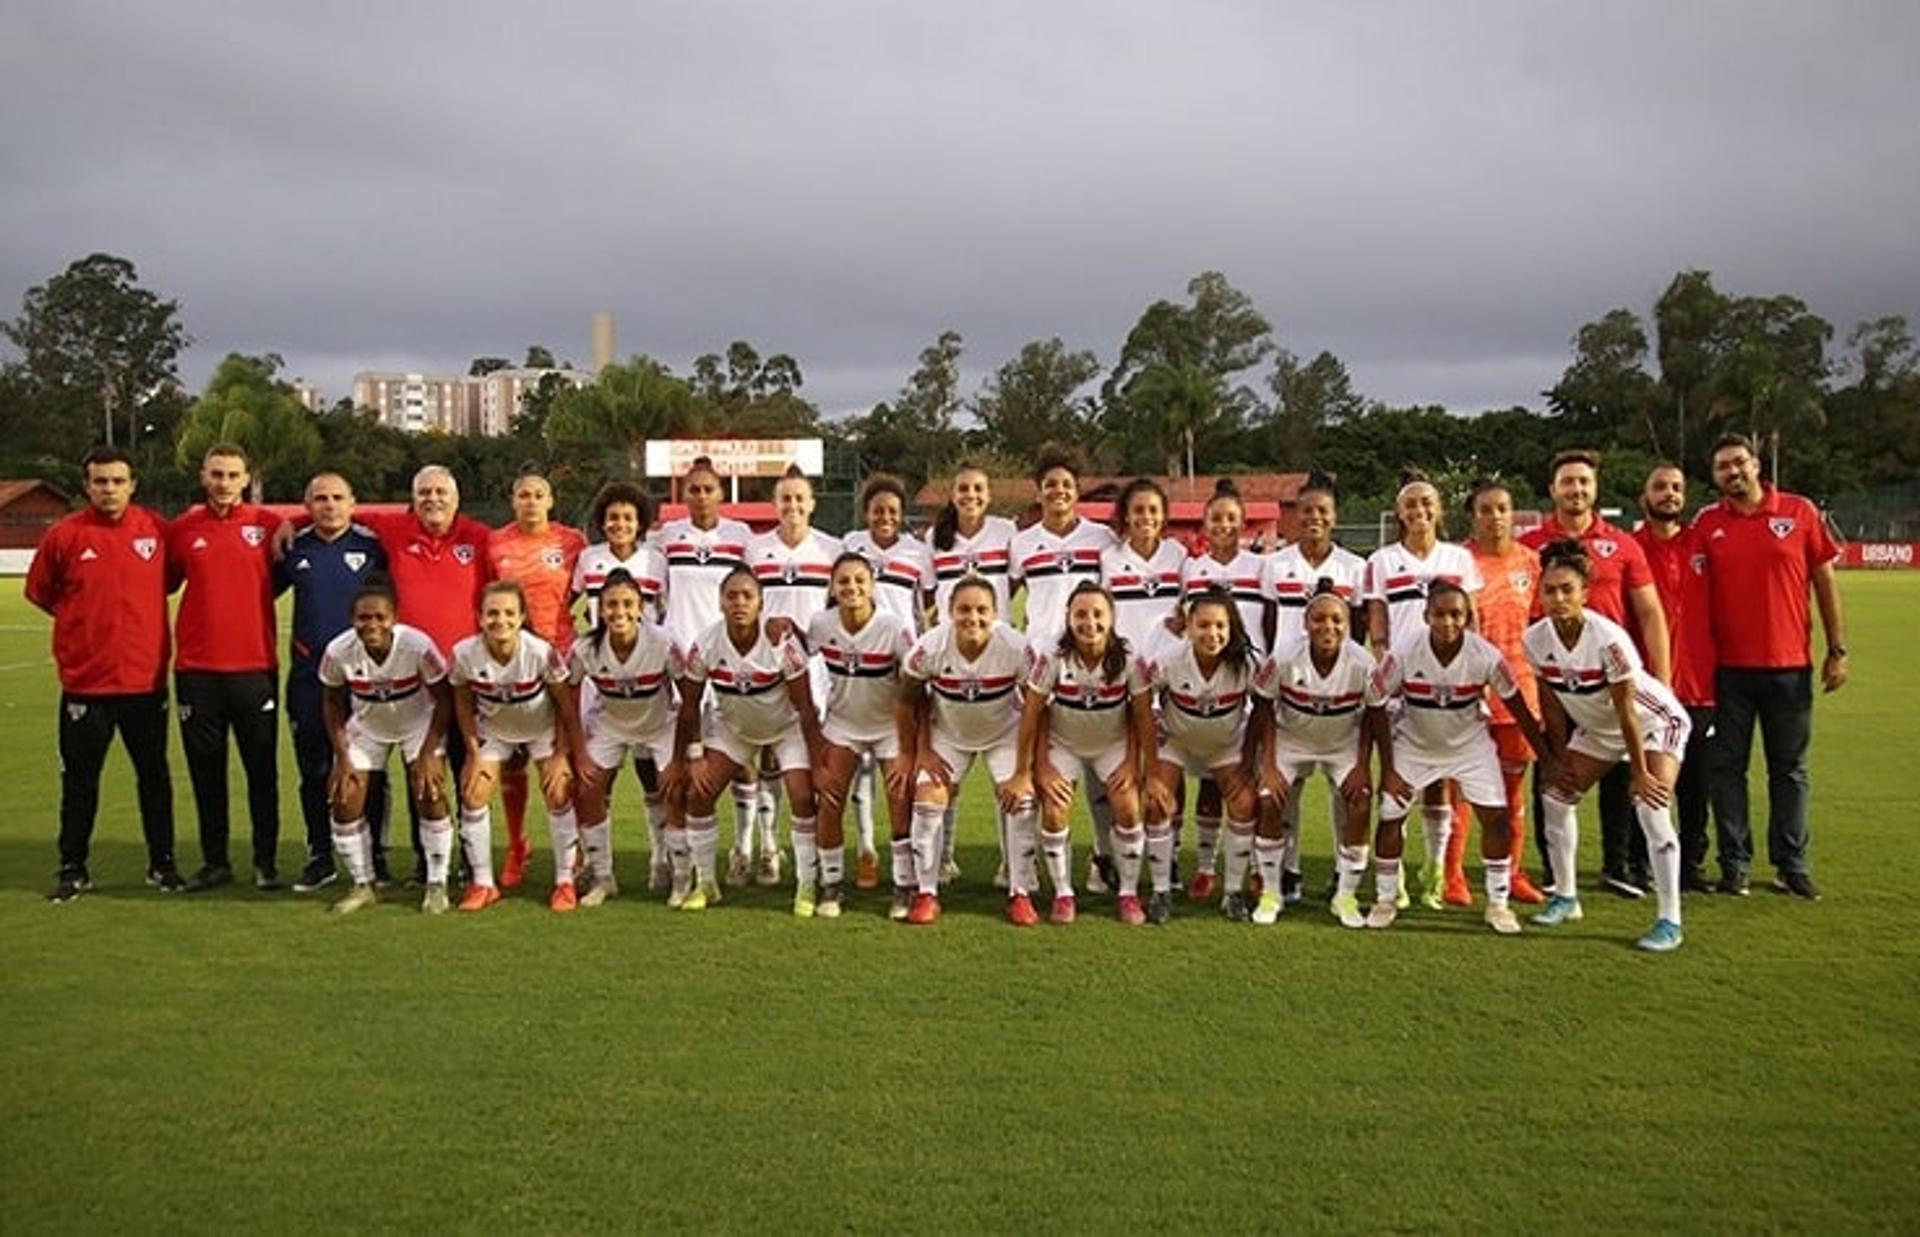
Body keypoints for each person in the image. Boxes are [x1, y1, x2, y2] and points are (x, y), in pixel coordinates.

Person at [1692, 433, 1845, 900]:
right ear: (1715, 476)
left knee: (1790, 771)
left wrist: (1837, 649)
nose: (1733, 472)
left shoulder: (1798, 512)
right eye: (1723, 467)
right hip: (1730, 672)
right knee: (1726, 771)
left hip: (1789, 668)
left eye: (1739, 462)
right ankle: (1734, 865)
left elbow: (1824, 579)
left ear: (1756, 465)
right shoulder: (1706, 523)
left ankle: (1791, 865)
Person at [27, 444, 179, 901]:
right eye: (100, 481)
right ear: (86, 485)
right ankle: (73, 867)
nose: (109, 489)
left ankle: (162, 864)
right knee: (80, 781)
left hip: (144, 682)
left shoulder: (156, 530)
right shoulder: (64, 535)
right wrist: (82, 625)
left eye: (117, 481)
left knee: (154, 777)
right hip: (85, 685)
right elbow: (42, 592)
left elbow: (169, 580)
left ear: (132, 484)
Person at [1525, 540, 1693, 951]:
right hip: (1599, 729)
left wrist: (1639, 771)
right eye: (1550, 590)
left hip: (1654, 723)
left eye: (1568, 590)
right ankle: (1566, 897)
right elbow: (1551, 702)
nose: (1558, 598)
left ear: (1585, 593)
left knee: (1651, 806)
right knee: (1556, 797)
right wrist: (1559, 756)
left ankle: (1669, 920)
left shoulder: (1608, 638)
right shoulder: (1535, 639)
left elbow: (1629, 710)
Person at [1519, 448, 1671, 900]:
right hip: (1559, 679)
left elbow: (1648, 612)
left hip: (1611, 681)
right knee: (1555, 771)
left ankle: (1619, 864)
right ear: (1553, 490)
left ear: (1595, 488)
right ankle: (1554, 872)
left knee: (1624, 771)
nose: (1576, 489)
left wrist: (1660, 678)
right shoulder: (1532, 545)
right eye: (1567, 481)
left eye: (1584, 481)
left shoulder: (1624, 545)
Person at [1365, 582, 1550, 935]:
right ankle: (1386, 899)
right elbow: (1374, 703)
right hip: (1414, 744)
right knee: (1390, 816)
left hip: (1469, 746)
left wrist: (1548, 760)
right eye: (1440, 614)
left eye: (1456, 615)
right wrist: (1388, 768)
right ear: (1426, 616)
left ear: (1467, 619)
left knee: (1496, 819)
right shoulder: (1403, 653)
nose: (1448, 622)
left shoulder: (1486, 656)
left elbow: (1519, 709)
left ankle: (1498, 905)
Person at [354, 465, 493, 886]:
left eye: (441, 492)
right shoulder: (395, 529)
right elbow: (340, 510)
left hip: (464, 679)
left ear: (457, 497)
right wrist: (292, 522)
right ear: (412, 499)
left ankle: (471, 860)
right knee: (420, 772)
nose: (433, 499)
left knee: (466, 769)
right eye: (424, 492)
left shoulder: (479, 537)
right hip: (411, 680)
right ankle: (425, 859)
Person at [167, 443, 287, 892]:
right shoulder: (182, 529)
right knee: (206, 771)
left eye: (232, 475)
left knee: (261, 770)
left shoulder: (268, 525)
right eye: (216, 474)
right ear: (203, 476)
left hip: (254, 668)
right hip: (197, 672)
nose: (223, 483)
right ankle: (215, 861)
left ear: (245, 479)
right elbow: (165, 582)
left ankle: (266, 862)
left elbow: (284, 571)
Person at [670, 567, 822, 914]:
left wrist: (819, 760)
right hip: (733, 731)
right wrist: (692, 757)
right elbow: (690, 704)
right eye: (731, 596)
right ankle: (706, 883)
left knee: (801, 795)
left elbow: (805, 705)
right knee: (699, 793)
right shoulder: (707, 642)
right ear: (720, 602)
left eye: (747, 596)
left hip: (786, 728)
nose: (739, 602)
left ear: (760, 603)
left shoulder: (780, 642)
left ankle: (807, 886)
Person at [1362, 475, 1482, 908]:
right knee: (1397, 779)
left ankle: (1434, 871)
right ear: (1400, 513)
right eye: (1411, 504)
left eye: (1427, 503)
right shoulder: (1380, 560)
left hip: (1450, 684)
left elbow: (1473, 619)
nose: (1419, 511)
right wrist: (1381, 660)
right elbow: (1377, 619)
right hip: (1401, 685)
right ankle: (1395, 877)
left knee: (1442, 783)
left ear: (1439, 509)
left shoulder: (1459, 558)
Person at [1010, 582, 1155, 925]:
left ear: (1112, 618)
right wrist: (1033, 767)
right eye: (1081, 615)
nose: (1089, 623)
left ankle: (1128, 892)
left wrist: (1139, 765)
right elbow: (1032, 713)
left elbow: (1143, 716)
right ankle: (1063, 893)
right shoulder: (1053, 658)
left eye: (1097, 614)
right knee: (1056, 811)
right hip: (1064, 744)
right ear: (1069, 618)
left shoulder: (1130, 658)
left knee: (1128, 807)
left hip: (1112, 745)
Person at [897, 578, 1034, 924]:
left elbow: (1036, 708)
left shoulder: (1017, 648)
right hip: (948, 735)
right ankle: (926, 893)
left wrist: (1024, 770)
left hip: (1003, 733)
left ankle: (1020, 893)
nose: (973, 617)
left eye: (982, 610)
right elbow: (906, 700)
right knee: (927, 799)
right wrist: (921, 750)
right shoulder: (929, 647)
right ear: (949, 612)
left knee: (1022, 802)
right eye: (964, 610)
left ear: (996, 613)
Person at [279, 472, 389, 894]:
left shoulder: (372, 547)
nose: (329, 505)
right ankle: (319, 855)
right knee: (315, 769)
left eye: (337, 497)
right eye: (320, 498)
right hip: (309, 679)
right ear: (307, 504)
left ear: (353, 502)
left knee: (370, 769)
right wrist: (285, 522)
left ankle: (374, 853)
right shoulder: (293, 548)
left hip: (364, 679)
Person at [1249, 585, 1384, 929]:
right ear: (1306, 624)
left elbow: (1374, 715)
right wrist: (1267, 764)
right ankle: (1272, 892)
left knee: (1359, 802)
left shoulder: (1363, 662)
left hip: (1342, 744)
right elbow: (1263, 709)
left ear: (1348, 626)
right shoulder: (1283, 658)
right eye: (1319, 619)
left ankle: (1346, 895)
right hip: (1291, 740)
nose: (1329, 626)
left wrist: (1362, 765)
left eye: (1337, 620)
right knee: (1269, 800)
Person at [316, 579, 453, 914]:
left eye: (380, 617)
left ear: (394, 618)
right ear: (352, 620)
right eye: (364, 618)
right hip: (368, 726)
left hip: (418, 723)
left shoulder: (417, 645)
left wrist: (428, 753)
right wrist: (342, 755)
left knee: (430, 793)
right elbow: (332, 703)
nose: (372, 624)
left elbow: (445, 699)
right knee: (345, 800)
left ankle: (437, 885)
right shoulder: (338, 651)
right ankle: (363, 885)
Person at [1261, 469, 1366, 899]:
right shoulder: (1275, 565)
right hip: (1290, 693)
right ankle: (1289, 869)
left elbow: (1356, 628)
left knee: (1346, 791)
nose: (1314, 518)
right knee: (1288, 787)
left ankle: (1344, 872)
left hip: (1338, 694)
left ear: (1335, 516)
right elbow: (1268, 625)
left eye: (1322, 511)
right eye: (1306, 511)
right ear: (1294, 517)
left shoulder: (1354, 568)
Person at [1444, 479, 1547, 906]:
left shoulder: (1531, 563)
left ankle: (1513, 871)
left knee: (1511, 792)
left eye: (1502, 508)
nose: (1495, 517)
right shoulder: (1460, 564)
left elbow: (1541, 629)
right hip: (1471, 695)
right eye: (1485, 509)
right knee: (1463, 789)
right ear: (1473, 515)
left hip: (1520, 694)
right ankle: (1452, 877)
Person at [448, 580, 578, 912]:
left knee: (559, 790)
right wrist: (473, 754)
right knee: (473, 793)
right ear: (479, 617)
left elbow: (565, 706)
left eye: (509, 613)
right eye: (492, 613)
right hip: (495, 732)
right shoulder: (465, 653)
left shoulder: (539, 652)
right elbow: (462, 702)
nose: (500, 621)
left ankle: (565, 881)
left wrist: (562, 754)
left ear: (521, 618)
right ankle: (483, 884)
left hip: (542, 730)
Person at [486, 469, 587, 890]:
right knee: (512, 762)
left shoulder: (572, 543)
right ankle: (516, 845)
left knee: (566, 759)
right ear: (513, 500)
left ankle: (575, 848)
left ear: (551, 501)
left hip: (562, 658)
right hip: (512, 664)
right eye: (523, 494)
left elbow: (580, 592)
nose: (530, 501)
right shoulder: (497, 543)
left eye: (538, 494)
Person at [744, 465, 842, 887]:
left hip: (818, 670)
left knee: (819, 759)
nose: (793, 506)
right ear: (775, 504)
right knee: (768, 757)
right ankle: (767, 846)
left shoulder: (831, 549)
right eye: (786, 499)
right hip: (768, 668)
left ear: (812, 503)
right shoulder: (754, 549)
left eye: (800, 499)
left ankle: (821, 852)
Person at [565, 569, 683, 909]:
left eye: (628, 604)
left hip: (659, 723)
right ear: (600, 610)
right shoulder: (585, 647)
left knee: (673, 789)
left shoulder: (663, 642)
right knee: (588, 788)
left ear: (640, 608)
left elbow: (688, 694)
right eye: (611, 605)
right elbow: (568, 697)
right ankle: (603, 877)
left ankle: (678, 874)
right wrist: (578, 752)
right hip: (611, 725)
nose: (619, 612)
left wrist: (684, 752)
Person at [807, 553, 915, 919]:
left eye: (859, 581)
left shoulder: (894, 627)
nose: (851, 587)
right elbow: (796, 661)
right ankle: (831, 885)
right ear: (833, 587)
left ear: (872, 586)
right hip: (843, 723)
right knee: (830, 799)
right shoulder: (821, 624)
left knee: (900, 800)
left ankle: (903, 886)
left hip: (889, 726)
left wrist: (909, 744)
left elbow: (914, 686)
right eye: (843, 581)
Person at [841, 473, 936, 888]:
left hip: (904, 669)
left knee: (903, 767)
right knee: (861, 766)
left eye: (892, 511)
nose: (885, 517)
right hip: (860, 666)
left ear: (901, 516)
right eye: (878, 510)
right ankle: (866, 850)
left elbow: (927, 603)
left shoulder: (918, 552)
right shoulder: (850, 545)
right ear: (867, 513)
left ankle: (911, 855)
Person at [1175, 485, 1267, 901]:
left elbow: (1272, 619)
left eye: (1232, 518)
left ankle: (1255, 869)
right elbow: (1181, 621)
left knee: (1249, 782)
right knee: (1210, 782)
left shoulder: (1260, 567)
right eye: (1216, 518)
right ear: (1205, 526)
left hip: (1246, 683)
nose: (1224, 525)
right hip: (1205, 682)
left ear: (1243, 524)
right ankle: (1206, 868)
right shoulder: (1193, 571)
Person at [1146, 589, 1260, 922]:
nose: (1212, 634)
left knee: (1244, 803)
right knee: (1156, 803)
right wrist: (1152, 757)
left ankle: (1233, 893)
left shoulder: (1246, 663)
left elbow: (1265, 707)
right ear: (1189, 627)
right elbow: (1140, 697)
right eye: (1203, 625)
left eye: (1220, 626)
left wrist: (1251, 757)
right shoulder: (1168, 659)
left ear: (1232, 627)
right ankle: (1161, 891)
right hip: (1177, 741)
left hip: (1225, 745)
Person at [1633, 463, 1719, 892]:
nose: (1669, 494)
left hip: (1700, 685)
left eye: (1677, 488)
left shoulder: (1703, 544)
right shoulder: (1630, 548)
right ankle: (1639, 861)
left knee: (1696, 782)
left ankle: (1692, 865)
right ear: (1643, 497)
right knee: (1645, 776)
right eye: (1660, 487)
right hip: (1646, 687)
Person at [1009, 444, 1115, 649]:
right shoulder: (1021, 543)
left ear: (1077, 493)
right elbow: (1006, 595)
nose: (1059, 490)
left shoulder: (1102, 538)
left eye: (1067, 485)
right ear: (1039, 494)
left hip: (1089, 650)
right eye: (1051, 485)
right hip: (1040, 649)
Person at [925, 462, 1017, 620]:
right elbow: (931, 589)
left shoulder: (1006, 531)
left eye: (978, 488)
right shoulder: (933, 536)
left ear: (989, 496)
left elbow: (1014, 582)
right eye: (963, 489)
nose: (971, 494)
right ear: (953, 496)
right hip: (951, 633)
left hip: (995, 632)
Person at [574, 479, 668, 628]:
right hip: (601, 647)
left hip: (645, 647)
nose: (620, 524)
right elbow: (570, 604)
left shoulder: (655, 560)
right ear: (602, 523)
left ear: (640, 524)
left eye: (628, 518)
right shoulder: (589, 558)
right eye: (613, 518)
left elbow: (665, 611)